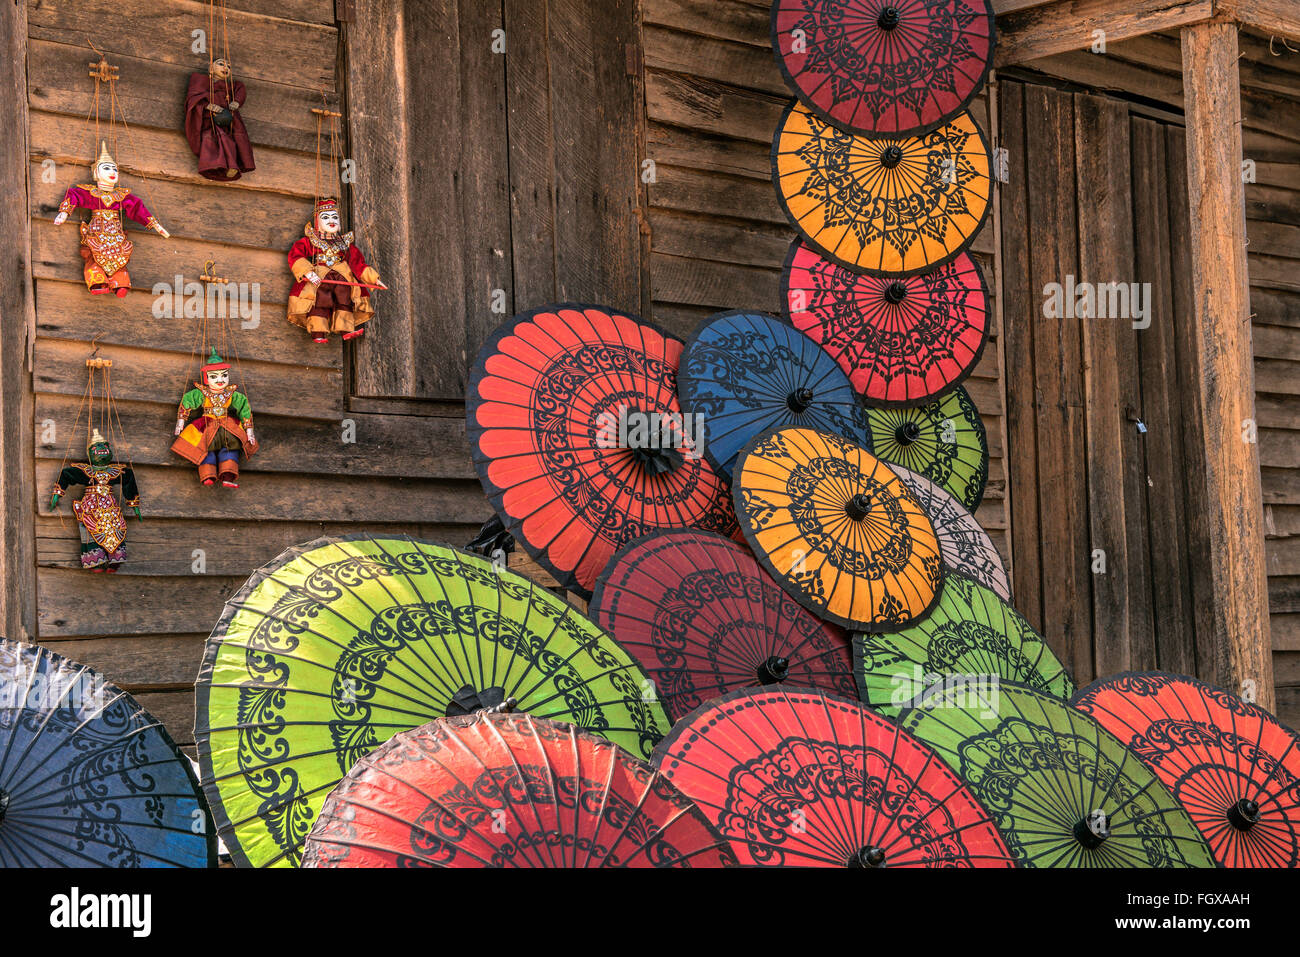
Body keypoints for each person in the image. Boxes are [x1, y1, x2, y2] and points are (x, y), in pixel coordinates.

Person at [54, 142, 169, 296]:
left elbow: (136, 207)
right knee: (95, 253)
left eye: (114, 168)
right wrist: (64, 213)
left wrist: (155, 225)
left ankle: (120, 282)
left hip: (115, 234)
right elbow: (75, 195)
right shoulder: (91, 193)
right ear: (96, 173)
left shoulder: (120, 196)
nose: (112, 171)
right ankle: (97, 281)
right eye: (106, 168)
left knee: (120, 256)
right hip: (97, 231)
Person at [286, 197, 382, 343]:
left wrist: (374, 279)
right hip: (320, 276)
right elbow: (296, 255)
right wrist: (308, 272)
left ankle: (346, 329)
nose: (332, 220)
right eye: (326, 217)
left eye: (335, 217)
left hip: (343, 278)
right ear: (318, 222)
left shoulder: (345, 244)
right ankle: (318, 331)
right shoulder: (310, 241)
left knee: (344, 301)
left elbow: (357, 263)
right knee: (320, 301)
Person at [49, 429, 141, 572]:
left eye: (104, 446)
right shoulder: (85, 471)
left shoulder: (117, 471)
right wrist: (57, 494)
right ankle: (95, 561)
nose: (101, 449)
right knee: (90, 529)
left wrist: (134, 504)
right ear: (90, 452)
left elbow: (128, 478)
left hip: (111, 507)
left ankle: (114, 560)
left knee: (115, 528)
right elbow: (66, 475)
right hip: (90, 506)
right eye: (96, 447)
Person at [171, 349, 259, 488]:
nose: (220, 380)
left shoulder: (232, 394)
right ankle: (208, 474)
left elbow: (244, 408)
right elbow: (188, 400)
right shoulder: (202, 393)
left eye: (224, 375)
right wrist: (181, 420)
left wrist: (249, 430)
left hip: (227, 425)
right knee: (204, 448)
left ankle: (228, 475)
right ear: (206, 378)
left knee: (230, 448)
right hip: (207, 424)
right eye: (214, 377)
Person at [184, 57, 255, 181]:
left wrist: (236, 102)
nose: (225, 67)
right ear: (211, 69)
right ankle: (211, 165)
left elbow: (240, 90)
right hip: (209, 120)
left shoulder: (232, 86)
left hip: (227, 120)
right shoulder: (201, 82)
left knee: (229, 141)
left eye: (229, 66)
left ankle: (232, 166)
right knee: (208, 140)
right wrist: (208, 106)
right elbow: (194, 99)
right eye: (221, 64)